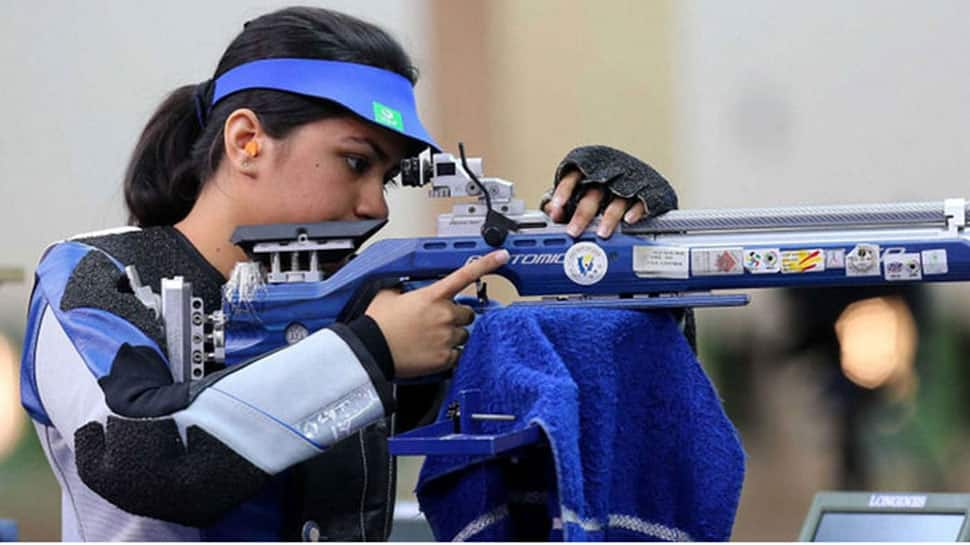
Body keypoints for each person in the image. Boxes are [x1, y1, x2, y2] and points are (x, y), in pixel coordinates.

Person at [19, 6, 675, 541]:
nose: (376, 205)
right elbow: (147, 456)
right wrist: (373, 349)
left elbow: (570, 389)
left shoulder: (370, 302)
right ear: (247, 141)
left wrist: (615, 247)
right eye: (356, 163)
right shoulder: (96, 278)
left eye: (387, 177)